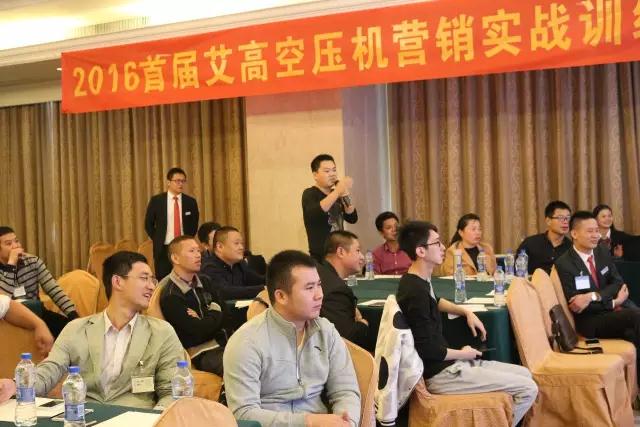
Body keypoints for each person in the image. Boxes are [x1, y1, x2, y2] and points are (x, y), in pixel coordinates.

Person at [0, 251, 184, 409]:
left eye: (153, 280)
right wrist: (16, 385)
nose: (152, 286)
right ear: (117, 282)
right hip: (85, 416)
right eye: (144, 278)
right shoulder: (77, 329)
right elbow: (50, 369)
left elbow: (173, 392)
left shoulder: (161, 332)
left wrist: (156, 419)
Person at [396, 221, 538, 426]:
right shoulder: (414, 291)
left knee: (526, 374)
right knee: (528, 388)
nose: (443, 247)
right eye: (437, 243)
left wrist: (464, 311)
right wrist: (464, 354)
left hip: (450, 365)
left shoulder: (417, 280)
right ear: (420, 251)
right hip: (441, 375)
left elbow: (435, 301)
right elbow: (429, 349)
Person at [223, 250, 361, 427]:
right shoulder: (246, 342)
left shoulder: (326, 331)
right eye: (309, 288)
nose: (319, 295)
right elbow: (243, 413)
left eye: (319, 285)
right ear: (281, 296)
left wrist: (346, 422)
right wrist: (307, 422)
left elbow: (346, 391)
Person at [555, 211, 640, 382]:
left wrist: (592, 296)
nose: (596, 235)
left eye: (596, 231)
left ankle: (634, 386)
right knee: (636, 316)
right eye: (590, 231)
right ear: (574, 234)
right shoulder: (564, 264)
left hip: (612, 312)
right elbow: (578, 306)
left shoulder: (601, 251)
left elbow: (617, 283)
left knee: (633, 332)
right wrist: (613, 302)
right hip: (591, 320)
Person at [159, 236, 227, 376]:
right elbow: (197, 332)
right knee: (239, 365)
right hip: (201, 352)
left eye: (198, 250)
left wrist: (205, 319)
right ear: (175, 258)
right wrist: (214, 311)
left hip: (224, 343)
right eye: (191, 251)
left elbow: (225, 314)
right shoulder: (171, 294)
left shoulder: (205, 281)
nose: (198, 255)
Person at [0, 226, 78, 337]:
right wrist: (11, 264)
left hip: (37, 313)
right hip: (10, 320)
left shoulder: (33, 261)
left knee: (70, 332)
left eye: (16, 241)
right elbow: (3, 300)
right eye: (8, 244)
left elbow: (54, 290)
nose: (16, 246)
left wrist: (73, 315)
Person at [318, 231, 370, 351]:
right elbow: (347, 339)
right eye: (357, 250)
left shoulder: (320, 272)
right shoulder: (336, 290)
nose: (362, 257)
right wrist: (363, 324)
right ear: (341, 252)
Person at [144, 167, 199, 280]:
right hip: (163, 247)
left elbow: (194, 225)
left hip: (183, 248)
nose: (181, 184)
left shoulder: (190, 202)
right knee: (164, 279)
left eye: (183, 181)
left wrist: (186, 241)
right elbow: (148, 224)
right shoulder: (157, 201)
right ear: (168, 182)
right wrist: (157, 238)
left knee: (183, 277)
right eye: (177, 181)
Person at [302, 154, 358, 261]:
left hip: (340, 254)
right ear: (315, 175)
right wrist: (337, 191)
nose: (332, 174)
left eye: (334, 170)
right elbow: (316, 213)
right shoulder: (310, 193)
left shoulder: (336, 194)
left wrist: (345, 195)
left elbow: (352, 218)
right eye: (327, 171)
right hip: (321, 257)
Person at [201, 226, 264, 300]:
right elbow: (225, 292)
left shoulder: (239, 264)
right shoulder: (209, 267)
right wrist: (262, 289)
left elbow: (258, 280)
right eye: (236, 243)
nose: (241, 247)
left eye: (242, 243)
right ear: (220, 247)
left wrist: (273, 282)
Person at [517, 200, 573, 274]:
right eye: (560, 218)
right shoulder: (530, 244)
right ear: (548, 221)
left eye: (568, 218)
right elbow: (517, 271)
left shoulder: (572, 247)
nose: (565, 222)